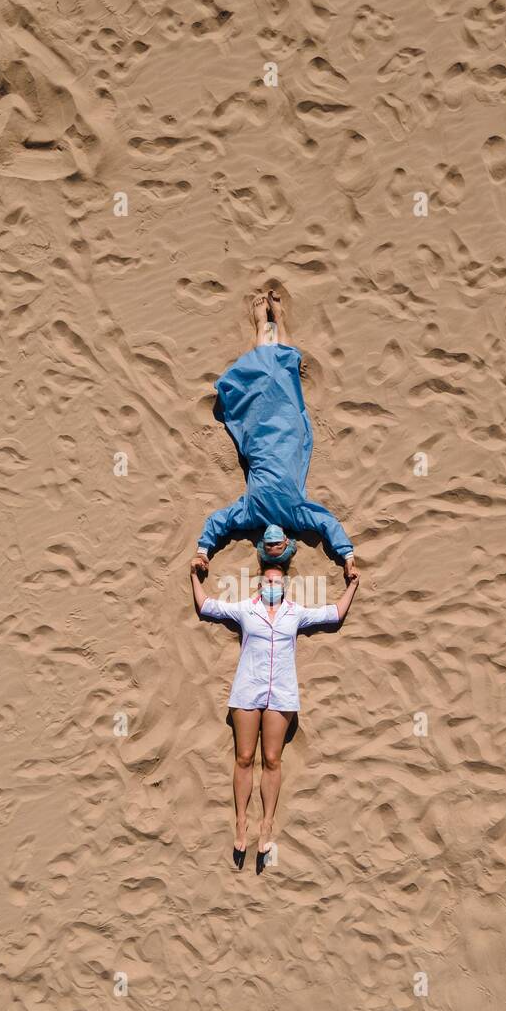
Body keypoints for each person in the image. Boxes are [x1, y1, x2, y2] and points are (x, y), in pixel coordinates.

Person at [190, 549, 359, 874]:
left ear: (284, 586)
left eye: (277, 581)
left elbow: (334, 614)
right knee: (243, 757)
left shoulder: (294, 613)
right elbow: (207, 606)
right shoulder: (246, 611)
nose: (272, 585)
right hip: (247, 691)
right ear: (259, 584)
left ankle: (266, 824)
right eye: (267, 580)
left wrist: (352, 584)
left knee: (271, 759)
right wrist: (194, 577)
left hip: (281, 695)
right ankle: (242, 823)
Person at [192, 292, 359, 584]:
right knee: (282, 377)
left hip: (259, 436)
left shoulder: (250, 515)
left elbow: (219, 522)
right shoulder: (297, 515)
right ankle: (277, 320)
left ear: (261, 545)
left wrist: (203, 550)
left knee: (260, 382)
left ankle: (261, 328)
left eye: (267, 547)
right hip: (288, 432)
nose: (272, 543)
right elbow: (327, 524)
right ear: (287, 542)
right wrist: (347, 556)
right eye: (277, 546)